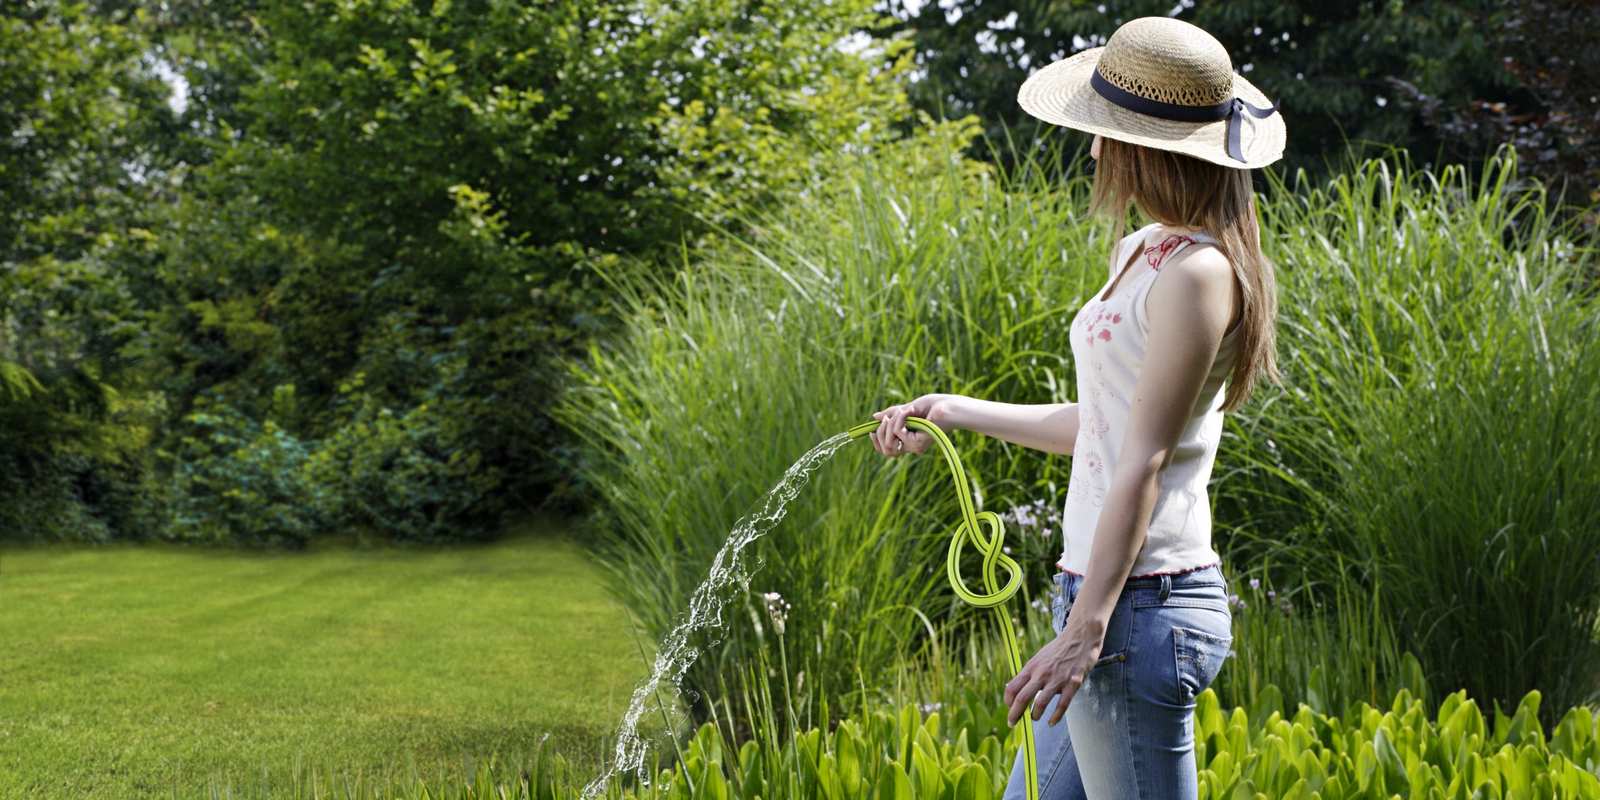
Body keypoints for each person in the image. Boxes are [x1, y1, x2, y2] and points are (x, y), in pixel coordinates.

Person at [868, 16, 1285, 800]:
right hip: (1104, 600)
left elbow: (1145, 462)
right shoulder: (1145, 251)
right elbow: (1106, 428)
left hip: (1135, 608)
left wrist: (1086, 630)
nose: (1092, 150)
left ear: (1149, 148)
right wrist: (956, 410)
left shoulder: (1198, 275)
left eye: (1105, 133)